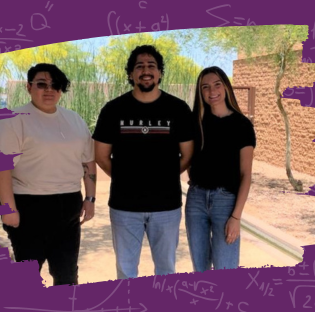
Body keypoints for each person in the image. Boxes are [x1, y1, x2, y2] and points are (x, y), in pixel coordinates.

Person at [0, 63, 96, 285]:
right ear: (28, 87)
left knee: (66, 275)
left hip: (69, 205)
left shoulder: (74, 119)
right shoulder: (13, 119)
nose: (49, 90)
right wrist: (8, 209)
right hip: (28, 207)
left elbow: (88, 161)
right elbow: (0, 166)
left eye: (55, 85)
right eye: (42, 84)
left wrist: (90, 198)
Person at [92, 45, 194, 279]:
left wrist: (166, 176)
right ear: (130, 74)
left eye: (151, 66)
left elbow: (187, 155)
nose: (145, 71)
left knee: (166, 270)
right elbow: (101, 156)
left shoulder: (178, 109)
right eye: (139, 66)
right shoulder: (113, 110)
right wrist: (124, 178)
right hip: (124, 206)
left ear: (159, 73)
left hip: (166, 207)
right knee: (126, 272)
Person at [185, 66, 256, 272]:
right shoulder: (195, 122)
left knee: (226, 267)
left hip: (226, 203)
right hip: (196, 201)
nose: (211, 91)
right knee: (200, 268)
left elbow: (246, 174)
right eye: (205, 87)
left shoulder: (242, 125)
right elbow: (188, 159)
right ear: (200, 92)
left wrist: (236, 217)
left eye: (217, 84)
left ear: (226, 87)